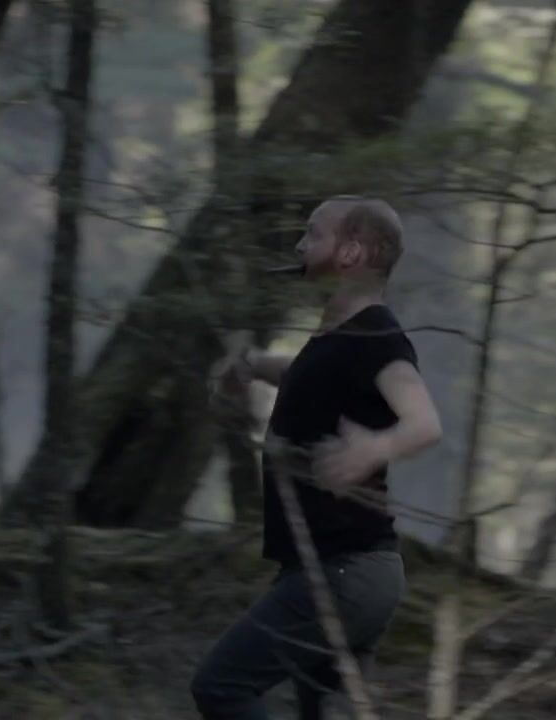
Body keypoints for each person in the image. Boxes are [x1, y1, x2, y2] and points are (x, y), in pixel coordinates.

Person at [192, 196, 443, 719]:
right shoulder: (342, 338)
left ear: (350, 251)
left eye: (312, 234)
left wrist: (374, 447)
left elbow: (424, 422)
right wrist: (254, 365)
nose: (299, 245)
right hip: (345, 573)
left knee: (221, 687)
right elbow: (311, 375)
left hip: (344, 574)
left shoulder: (377, 336)